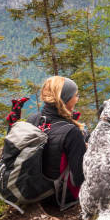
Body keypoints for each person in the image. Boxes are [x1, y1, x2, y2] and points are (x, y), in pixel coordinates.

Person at [27, 76, 87, 208]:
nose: (77, 99)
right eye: (75, 95)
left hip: (35, 190)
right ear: (65, 99)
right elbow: (81, 178)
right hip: (60, 197)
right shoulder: (71, 132)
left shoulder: (33, 119)